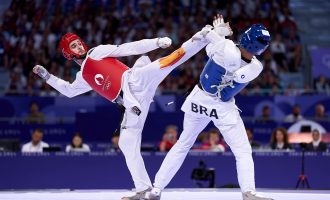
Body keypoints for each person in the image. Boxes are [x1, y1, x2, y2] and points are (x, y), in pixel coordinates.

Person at [33, 26, 211, 199]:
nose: (79, 46)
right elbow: (69, 91)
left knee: (170, 60)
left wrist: (156, 42)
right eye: (74, 46)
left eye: (79, 43)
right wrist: (48, 77)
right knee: (126, 143)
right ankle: (143, 189)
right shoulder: (83, 76)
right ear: (67, 53)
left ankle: (203, 36)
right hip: (131, 105)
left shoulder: (97, 52)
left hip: (136, 81)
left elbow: (129, 47)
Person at [147, 15, 273, 200]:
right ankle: (248, 193)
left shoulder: (231, 50)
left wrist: (218, 34)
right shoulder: (254, 66)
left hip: (199, 99)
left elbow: (206, 41)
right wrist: (217, 36)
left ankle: (156, 189)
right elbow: (227, 87)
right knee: (242, 150)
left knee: (183, 144)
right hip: (220, 106)